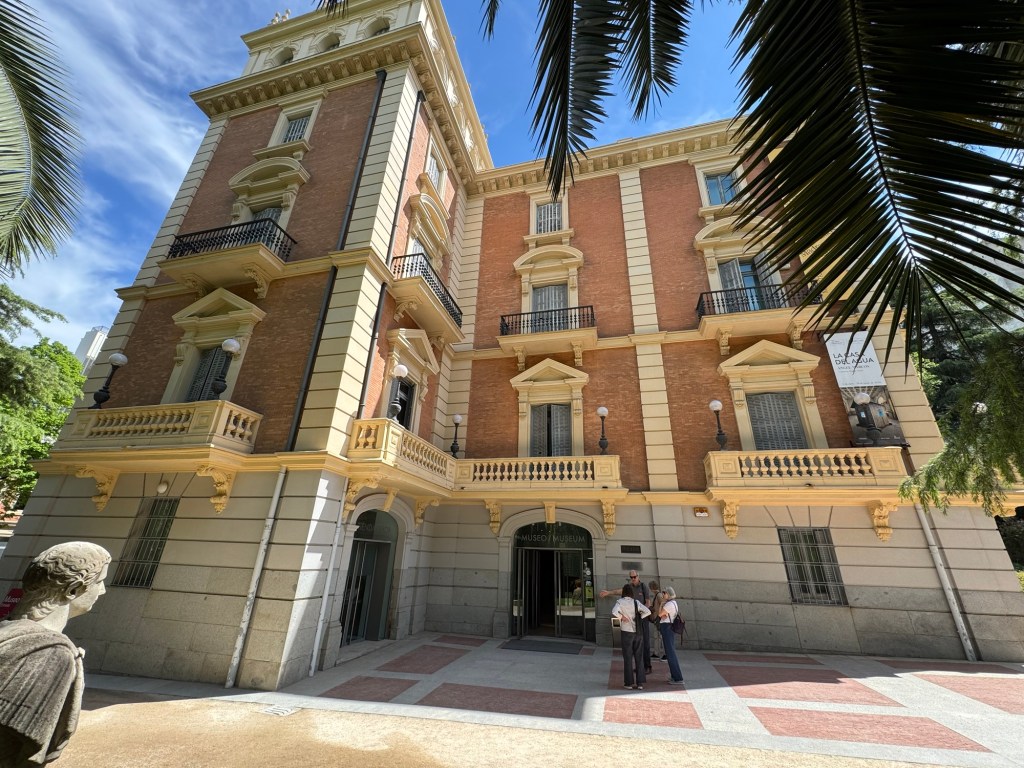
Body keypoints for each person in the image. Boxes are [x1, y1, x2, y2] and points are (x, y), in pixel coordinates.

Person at [0, 541, 111, 766]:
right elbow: (16, 748)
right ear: (73, 590)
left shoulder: (8, 629)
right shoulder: (50, 653)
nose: (102, 591)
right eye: (99, 582)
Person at [600, 570, 652, 672]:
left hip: (642, 619)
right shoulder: (629, 587)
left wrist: (641, 614)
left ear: (638, 576)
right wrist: (608, 592)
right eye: (631, 577)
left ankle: (647, 666)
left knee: (645, 642)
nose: (633, 579)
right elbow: (618, 591)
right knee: (636, 644)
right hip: (632, 621)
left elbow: (648, 603)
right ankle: (639, 667)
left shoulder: (643, 587)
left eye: (634, 577)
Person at [611, 583, 650, 689]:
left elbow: (614, 611)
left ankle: (628, 683)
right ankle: (640, 683)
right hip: (638, 632)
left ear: (623, 592)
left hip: (626, 631)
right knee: (639, 657)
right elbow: (647, 611)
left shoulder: (620, 602)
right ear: (632, 593)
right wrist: (640, 616)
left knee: (627, 657)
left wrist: (622, 617)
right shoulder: (636, 602)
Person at [657, 586, 685, 686]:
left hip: (667, 628)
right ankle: (675, 676)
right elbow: (663, 615)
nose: (663, 594)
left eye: (664, 593)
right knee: (670, 652)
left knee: (670, 653)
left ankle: (678, 678)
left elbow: (660, 614)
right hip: (669, 627)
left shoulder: (669, 604)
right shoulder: (673, 603)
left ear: (668, 594)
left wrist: (661, 604)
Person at [648, 580, 665, 661]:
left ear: (652, 588)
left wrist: (659, 615)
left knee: (660, 637)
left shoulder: (659, 595)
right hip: (656, 619)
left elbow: (663, 605)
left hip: (659, 619)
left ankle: (665, 654)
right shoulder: (657, 595)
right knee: (657, 637)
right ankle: (656, 653)